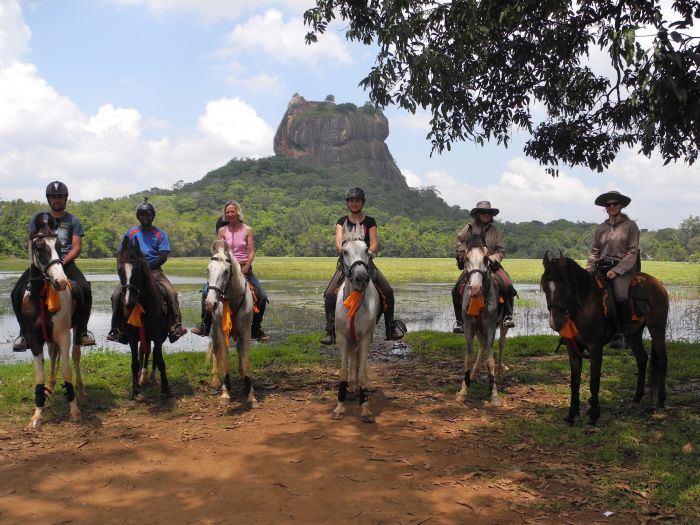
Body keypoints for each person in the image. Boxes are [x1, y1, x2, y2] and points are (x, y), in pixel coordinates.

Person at [10, 181, 95, 351]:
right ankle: (23, 334)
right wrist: (41, 264)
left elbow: (77, 246)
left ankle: (82, 332)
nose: (57, 200)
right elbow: (31, 243)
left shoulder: (73, 220)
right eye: (54, 197)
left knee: (85, 289)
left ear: (65, 199)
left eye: (60, 197)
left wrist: (60, 263)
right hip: (41, 264)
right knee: (15, 293)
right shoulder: (38, 218)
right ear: (49, 199)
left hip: (65, 264)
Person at [320, 187, 406, 344]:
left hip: (365, 262)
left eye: (357, 200)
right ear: (347, 203)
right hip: (347, 263)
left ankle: (390, 327)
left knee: (387, 291)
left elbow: (374, 242)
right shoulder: (341, 221)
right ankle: (330, 330)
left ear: (362, 202)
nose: (354, 203)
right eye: (351, 200)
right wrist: (345, 251)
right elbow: (339, 241)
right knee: (330, 294)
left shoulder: (370, 221)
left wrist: (369, 252)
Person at [107, 198, 188, 343]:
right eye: (142, 214)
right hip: (132, 274)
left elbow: (163, 256)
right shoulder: (130, 233)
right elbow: (121, 254)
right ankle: (117, 329)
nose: (145, 217)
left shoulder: (160, 234)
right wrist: (127, 271)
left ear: (152, 216)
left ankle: (175, 326)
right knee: (115, 296)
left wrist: (145, 269)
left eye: (148, 214)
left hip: (155, 272)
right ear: (138, 216)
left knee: (172, 293)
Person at [191, 200, 269, 342]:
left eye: (233, 211)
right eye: (227, 212)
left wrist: (245, 267)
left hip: (245, 269)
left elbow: (251, 252)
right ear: (225, 214)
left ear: (238, 212)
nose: (230, 214)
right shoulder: (222, 231)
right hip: (225, 270)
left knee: (262, 296)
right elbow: (220, 251)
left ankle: (256, 328)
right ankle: (205, 324)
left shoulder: (247, 229)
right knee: (205, 293)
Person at [586, 190, 640, 349]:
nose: (611, 206)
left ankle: (624, 332)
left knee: (620, 294)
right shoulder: (601, 227)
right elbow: (595, 251)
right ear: (605, 207)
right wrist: (589, 268)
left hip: (622, 267)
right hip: (601, 266)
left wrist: (617, 270)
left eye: (614, 203)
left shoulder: (631, 226)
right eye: (608, 204)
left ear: (620, 205)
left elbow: (632, 252)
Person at [452, 200, 516, 333]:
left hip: (491, 265)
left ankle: (507, 316)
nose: (486, 215)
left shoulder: (495, 231)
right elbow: (458, 240)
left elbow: (501, 251)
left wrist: (492, 258)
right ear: (478, 214)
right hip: (473, 265)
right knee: (455, 289)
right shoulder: (469, 227)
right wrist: (463, 251)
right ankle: (459, 321)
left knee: (508, 285)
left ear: (491, 215)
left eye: (488, 213)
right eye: (483, 212)